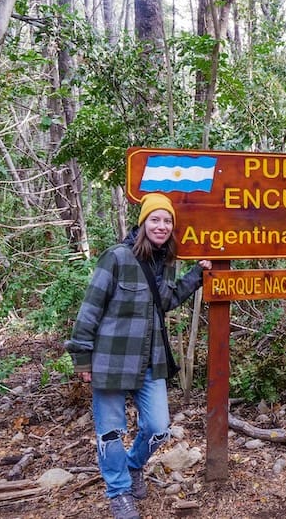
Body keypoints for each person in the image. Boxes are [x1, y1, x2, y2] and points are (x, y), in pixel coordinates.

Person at [65, 193, 211, 519]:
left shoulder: (166, 260)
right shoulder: (116, 257)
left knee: (159, 427)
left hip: (150, 358)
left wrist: (197, 275)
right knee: (111, 430)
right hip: (111, 359)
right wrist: (82, 358)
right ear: (143, 222)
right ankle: (118, 492)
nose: (161, 225)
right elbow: (90, 309)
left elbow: (167, 300)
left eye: (167, 220)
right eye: (155, 219)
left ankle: (133, 466)